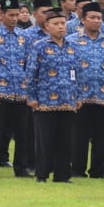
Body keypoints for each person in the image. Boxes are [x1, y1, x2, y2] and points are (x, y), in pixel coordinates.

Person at [25, 10, 81, 183]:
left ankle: (63, 175)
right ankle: (42, 174)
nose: (60, 27)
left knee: (65, 140)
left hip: (67, 100)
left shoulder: (73, 47)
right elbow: (31, 73)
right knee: (45, 140)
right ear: (47, 26)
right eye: (56, 24)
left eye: (62, 24)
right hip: (45, 100)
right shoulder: (39, 46)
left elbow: (78, 74)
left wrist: (78, 96)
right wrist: (31, 96)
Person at [0, 0, 32, 178]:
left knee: (22, 133)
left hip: (21, 92)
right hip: (1, 92)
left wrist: (28, 91)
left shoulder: (24, 36)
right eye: (11, 15)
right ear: (2, 15)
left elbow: (29, 65)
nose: (15, 18)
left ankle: (21, 167)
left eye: (17, 15)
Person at [70, 2, 104, 179]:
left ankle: (99, 171)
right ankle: (77, 169)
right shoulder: (72, 41)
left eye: (99, 18)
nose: (96, 21)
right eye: (92, 18)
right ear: (83, 20)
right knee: (78, 136)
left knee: (102, 137)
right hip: (81, 96)